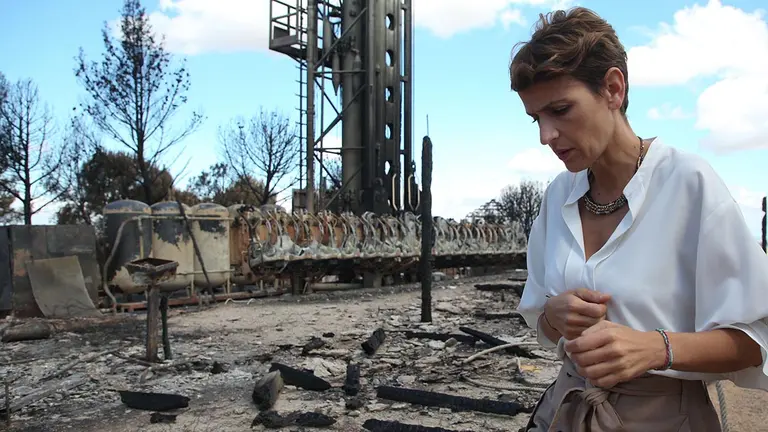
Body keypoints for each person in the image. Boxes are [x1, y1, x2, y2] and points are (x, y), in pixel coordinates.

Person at [511, 6, 768, 432]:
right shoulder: (558, 195)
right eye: (536, 118)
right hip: (565, 409)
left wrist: (656, 348)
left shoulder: (690, 184)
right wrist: (555, 315)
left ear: (613, 89)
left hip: (664, 417)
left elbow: (755, 338)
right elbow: (543, 321)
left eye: (560, 109)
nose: (545, 135)